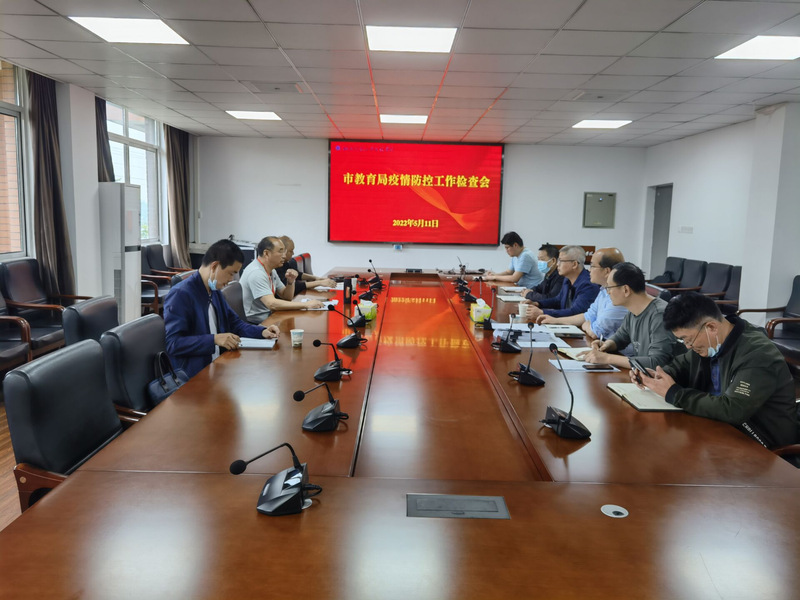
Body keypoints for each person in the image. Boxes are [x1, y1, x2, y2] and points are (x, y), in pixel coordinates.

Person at [634, 291, 798, 449]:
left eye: (688, 339)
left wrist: (675, 394)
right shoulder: (709, 344)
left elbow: (733, 410)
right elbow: (679, 366)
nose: (688, 346)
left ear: (711, 327)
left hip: (762, 445)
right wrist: (657, 377)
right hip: (718, 431)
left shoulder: (758, 354)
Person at [164, 239, 280, 379]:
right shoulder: (181, 294)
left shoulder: (215, 291)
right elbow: (173, 344)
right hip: (194, 374)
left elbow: (235, 323)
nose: (231, 279)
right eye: (231, 273)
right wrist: (213, 339)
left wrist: (262, 331)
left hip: (219, 365)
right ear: (215, 266)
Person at [581, 262, 683, 369]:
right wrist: (606, 345)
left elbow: (656, 362)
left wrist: (607, 358)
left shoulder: (660, 314)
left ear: (626, 290)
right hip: (642, 375)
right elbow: (621, 337)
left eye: (609, 287)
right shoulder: (633, 310)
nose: (608, 292)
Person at [535, 247, 628, 340]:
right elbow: (587, 316)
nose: (589, 270)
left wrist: (588, 325)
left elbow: (595, 331)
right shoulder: (603, 290)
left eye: (592, 266)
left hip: (612, 347)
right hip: (601, 343)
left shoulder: (619, 296)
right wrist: (555, 320)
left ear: (606, 271)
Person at [240, 236, 324, 324]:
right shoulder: (256, 273)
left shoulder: (271, 270)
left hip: (270, 316)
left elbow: (286, 297)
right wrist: (306, 305)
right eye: (280, 251)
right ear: (266, 253)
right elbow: (271, 304)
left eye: (284, 252)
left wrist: (290, 282)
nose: (284, 256)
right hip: (256, 323)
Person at [524, 245, 599, 321]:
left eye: (561, 261)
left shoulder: (588, 285)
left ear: (574, 264)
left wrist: (543, 312)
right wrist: (537, 303)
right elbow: (558, 300)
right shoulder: (567, 279)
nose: (557, 264)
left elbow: (576, 312)